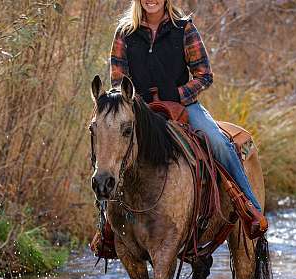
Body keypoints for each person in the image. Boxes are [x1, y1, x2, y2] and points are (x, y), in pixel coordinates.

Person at [109, 0, 267, 238]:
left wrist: (176, 95)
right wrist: (135, 104)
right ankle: (106, 229)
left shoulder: (183, 28)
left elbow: (204, 75)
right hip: (138, 111)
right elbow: (117, 79)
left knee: (218, 142)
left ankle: (249, 208)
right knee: (107, 145)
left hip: (183, 106)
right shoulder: (125, 32)